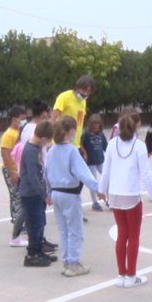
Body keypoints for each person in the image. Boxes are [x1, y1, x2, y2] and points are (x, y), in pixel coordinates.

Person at [99, 114, 152, 289]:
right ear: (135, 128)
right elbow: (146, 174)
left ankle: (121, 274)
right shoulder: (139, 146)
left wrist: (102, 190)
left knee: (122, 234)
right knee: (134, 236)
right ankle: (131, 275)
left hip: (115, 195)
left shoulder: (111, 144)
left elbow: (106, 171)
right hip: (132, 195)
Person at [45, 115, 101, 277]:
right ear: (72, 132)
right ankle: (73, 263)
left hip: (56, 193)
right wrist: (98, 188)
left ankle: (67, 261)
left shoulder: (52, 150)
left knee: (64, 230)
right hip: (70, 194)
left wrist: (48, 192)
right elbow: (83, 173)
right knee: (75, 230)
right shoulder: (71, 151)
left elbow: (47, 173)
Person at [19, 97, 58, 253]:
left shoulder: (36, 138)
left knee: (39, 220)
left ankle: (39, 246)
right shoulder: (31, 144)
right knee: (35, 221)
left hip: (37, 186)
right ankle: (34, 251)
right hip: (32, 189)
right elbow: (32, 174)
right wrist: (43, 194)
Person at [1, 105, 28, 247]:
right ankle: (17, 222)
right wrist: (12, 173)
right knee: (16, 196)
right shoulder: (9, 134)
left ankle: (20, 221)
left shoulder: (21, 132)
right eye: (22, 119)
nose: (24, 122)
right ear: (14, 119)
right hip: (11, 170)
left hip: (19, 169)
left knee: (19, 196)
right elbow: (5, 154)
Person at [51, 75, 95, 152]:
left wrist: (81, 147)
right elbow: (53, 120)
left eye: (89, 91)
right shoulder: (64, 97)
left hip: (75, 145)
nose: (85, 93)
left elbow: (79, 124)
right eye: (84, 89)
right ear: (78, 86)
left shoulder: (83, 101)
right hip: (61, 144)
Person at [81, 114, 108, 212]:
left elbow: (106, 147)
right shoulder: (86, 135)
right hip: (91, 162)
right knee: (93, 181)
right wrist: (84, 153)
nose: (96, 127)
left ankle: (109, 200)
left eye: (98, 125)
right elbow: (81, 144)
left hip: (100, 160)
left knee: (106, 178)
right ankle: (95, 202)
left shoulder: (101, 134)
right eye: (94, 125)